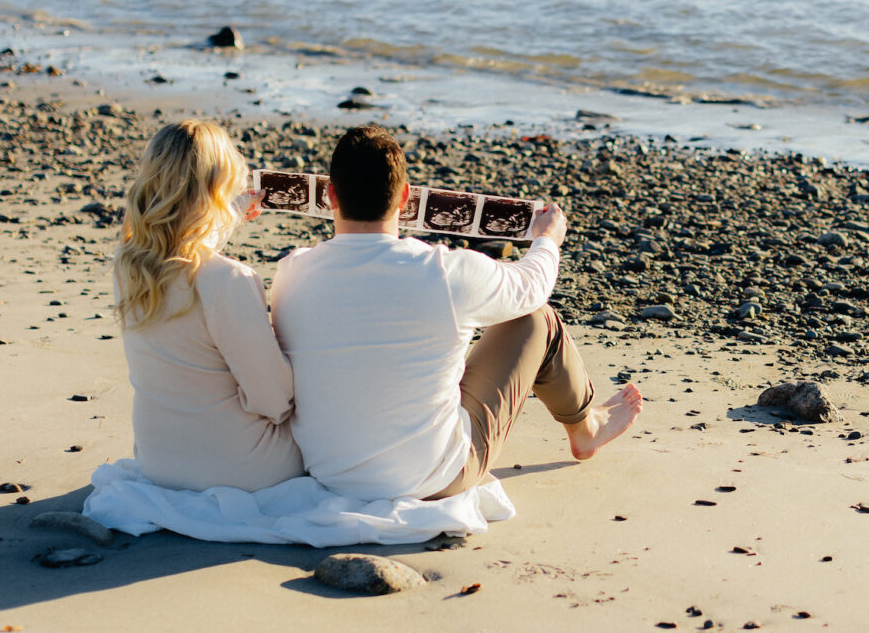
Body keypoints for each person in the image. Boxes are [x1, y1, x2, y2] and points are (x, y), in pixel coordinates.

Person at [269, 125, 642, 502]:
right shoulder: (443, 271)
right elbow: (532, 287)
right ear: (404, 198)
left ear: (331, 194)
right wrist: (547, 239)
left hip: (329, 472)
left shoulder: (292, 272)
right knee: (535, 318)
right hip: (433, 478)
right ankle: (584, 428)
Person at [112, 120, 303, 492]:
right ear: (216, 190)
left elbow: (182, 245)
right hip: (242, 469)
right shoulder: (228, 280)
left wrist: (230, 211)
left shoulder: (128, 266)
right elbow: (275, 402)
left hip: (158, 462)